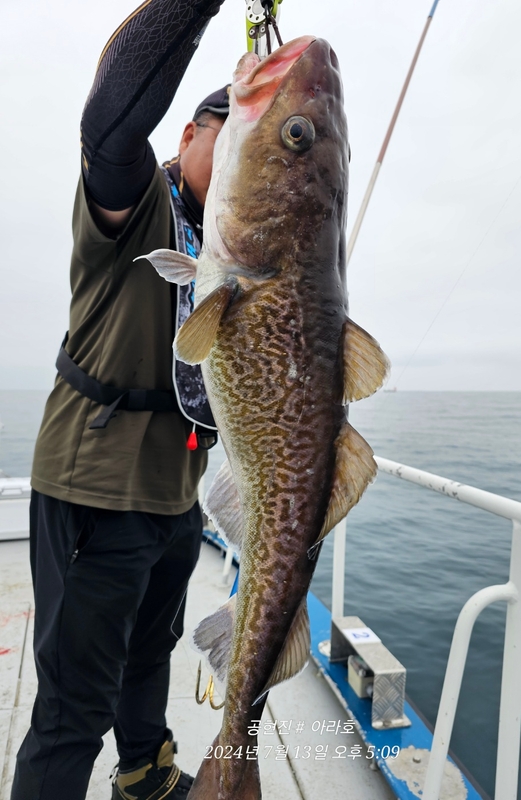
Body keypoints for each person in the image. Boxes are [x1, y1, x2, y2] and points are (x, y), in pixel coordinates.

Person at [10, 1, 233, 798]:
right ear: (187, 137)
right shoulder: (138, 203)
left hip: (177, 497)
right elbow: (109, 122)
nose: (249, 144)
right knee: (74, 704)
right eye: (230, 125)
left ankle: (143, 772)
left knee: (151, 654)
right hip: (95, 486)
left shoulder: (242, 249)